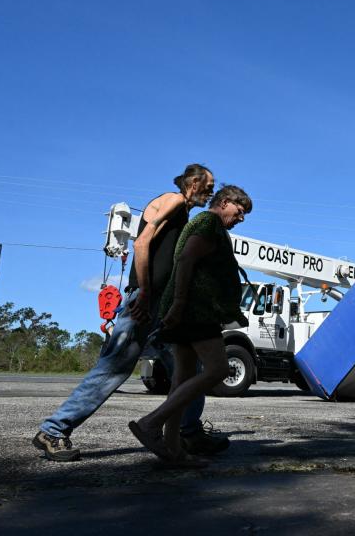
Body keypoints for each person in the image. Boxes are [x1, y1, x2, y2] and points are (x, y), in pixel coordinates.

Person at [33, 164, 227, 461]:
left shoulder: (183, 212)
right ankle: (54, 430)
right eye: (209, 185)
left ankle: (189, 433)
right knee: (114, 368)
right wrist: (145, 292)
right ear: (193, 182)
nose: (211, 191)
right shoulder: (173, 201)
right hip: (146, 303)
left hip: (159, 305)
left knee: (187, 372)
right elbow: (141, 243)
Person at [129, 185, 251, 464]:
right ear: (224, 202)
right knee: (218, 369)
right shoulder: (208, 222)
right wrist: (181, 303)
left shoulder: (205, 224)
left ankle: (173, 449)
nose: (241, 218)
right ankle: (150, 423)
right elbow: (185, 260)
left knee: (181, 379)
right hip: (196, 309)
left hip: (187, 309)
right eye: (240, 211)